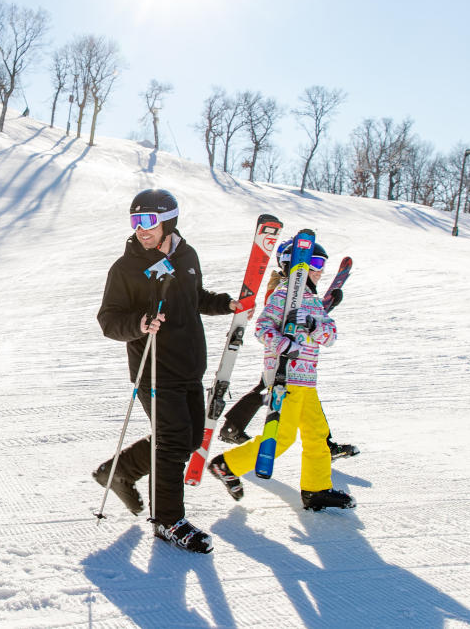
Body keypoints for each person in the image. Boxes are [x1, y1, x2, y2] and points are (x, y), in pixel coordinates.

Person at [94, 188, 239, 553]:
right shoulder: (125, 267)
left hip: (189, 365)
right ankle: (167, 521)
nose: (142, 229)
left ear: (168, 221)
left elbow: (196, 298)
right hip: (154, 369)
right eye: (135, 221)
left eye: (149, 221)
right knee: (173, 441)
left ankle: (120, 471)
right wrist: (140, 324)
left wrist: (225, 304)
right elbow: (109, 321)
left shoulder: (187, 255)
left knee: (187, 439)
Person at [208, 235, 356, 512]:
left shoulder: (312, 301)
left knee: (317, 434)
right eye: (313, 262)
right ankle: (227, 465)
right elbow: (262, 328)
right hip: (285, 378)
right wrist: (284, 343)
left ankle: (316, 489)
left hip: (308, 381)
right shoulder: (283, 295)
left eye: (322, 263)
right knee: (283, 437)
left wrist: (313, 324)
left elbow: (331, 335)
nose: (319, 269)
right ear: (293, 265)